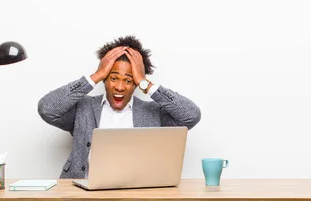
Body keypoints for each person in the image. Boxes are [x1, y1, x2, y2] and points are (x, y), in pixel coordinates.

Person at [38, 36, 201, 178]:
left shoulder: (153, 113)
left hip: (136, 196)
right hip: (81, 195)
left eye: (129, 80)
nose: (120, 87)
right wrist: (95, 76)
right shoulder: (83, 108)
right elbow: (47, 109)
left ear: (136, 85)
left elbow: (191, 116)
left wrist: (145, 82)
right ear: (104, 80)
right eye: (113, 78)